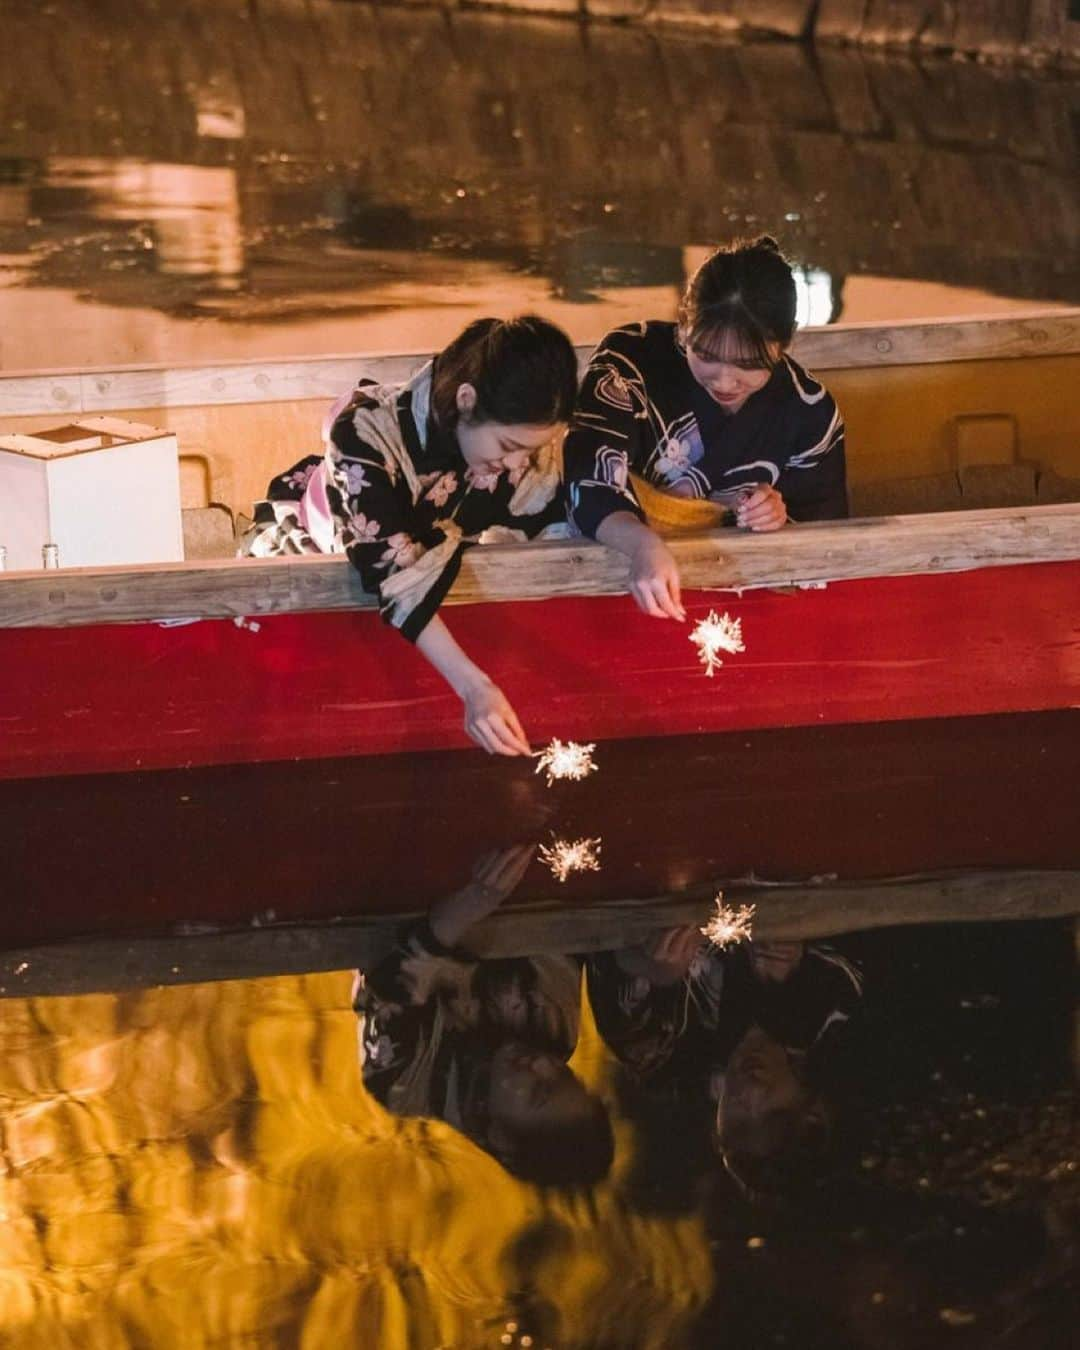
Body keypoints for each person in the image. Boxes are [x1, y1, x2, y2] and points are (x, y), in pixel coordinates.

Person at [246, 316, 579, 755]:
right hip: (322, 541)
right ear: (466, 400)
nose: (519, 465)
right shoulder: (365, 435)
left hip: (425, 567)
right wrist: (475, 687)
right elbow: (392, 572)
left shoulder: (516, 444)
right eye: (508, 448)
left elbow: (552, 504)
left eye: (531, 451)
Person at [564, 236, 848, 621]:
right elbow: (588, 481)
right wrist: (643, 545)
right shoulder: (628, 363)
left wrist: (774, 517)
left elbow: (827, 541)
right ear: (685, 323)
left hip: (747, 607)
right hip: (620, 567)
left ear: (786, 342)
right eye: (706, 355)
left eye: (749, 364)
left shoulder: (809, 413)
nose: (725, 382)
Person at [354, 846, 614, 1188]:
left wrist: (472, 901)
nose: (544, 1065)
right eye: (566, 1078)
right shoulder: (555, 1033)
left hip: (390, 866)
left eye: (539, 1091)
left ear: (500, 1135)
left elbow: (384, 969)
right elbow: (566, 919)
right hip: (519, 856)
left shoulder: (406, 1083)